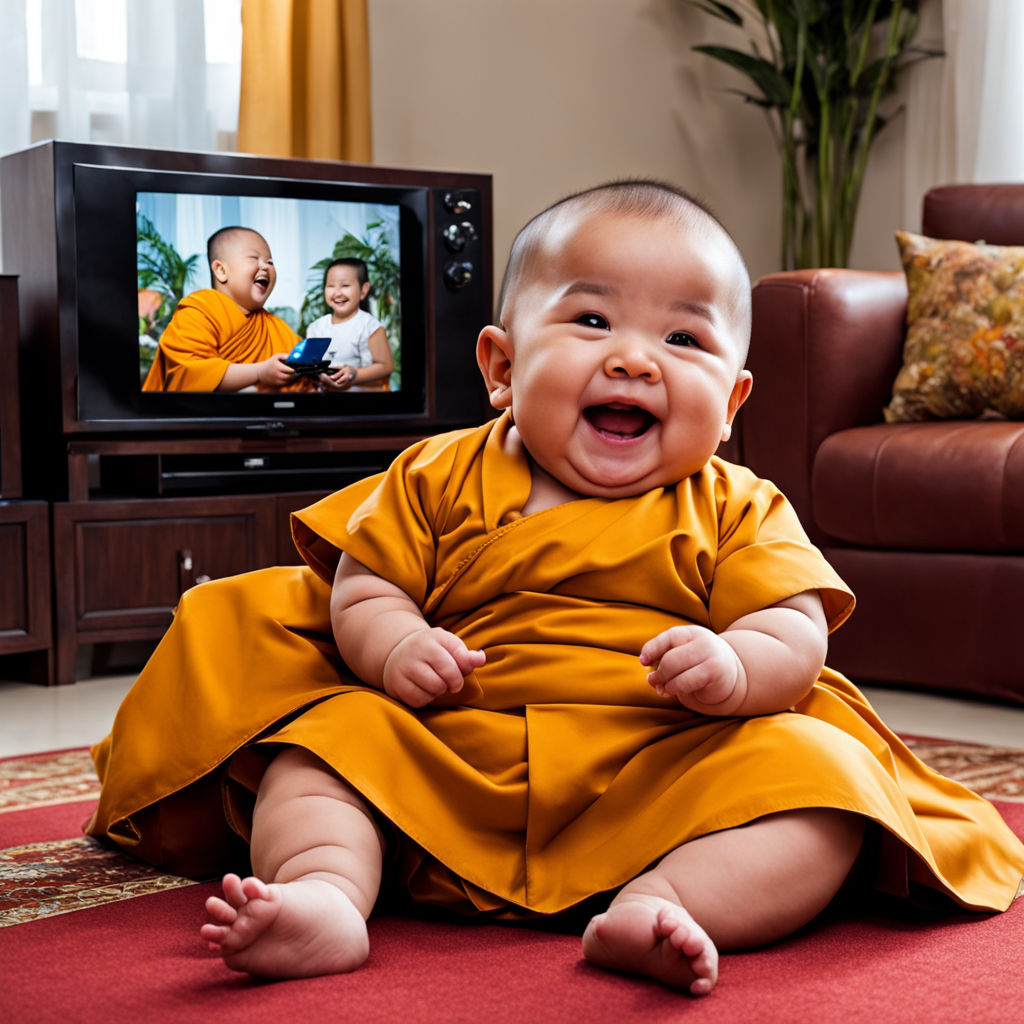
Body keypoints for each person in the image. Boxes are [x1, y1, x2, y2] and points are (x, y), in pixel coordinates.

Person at [90, 182, 1024, 996]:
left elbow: (794, 627)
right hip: (446, 752)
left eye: (683, 336)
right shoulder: (436, 474)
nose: (633, 358)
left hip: (658, 763)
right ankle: (328, 893)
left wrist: (737, 666)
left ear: (734, 406)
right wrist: (399, 646)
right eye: (590, 321)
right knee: (319, 748)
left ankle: (661, 905)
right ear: (501, 368)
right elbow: (364, 589)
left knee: (824, 785)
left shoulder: (738, 504)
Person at [142, 226, 302, 392]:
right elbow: (190, 372)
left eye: (270, 262)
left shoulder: (275, 327)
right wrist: (259, 373)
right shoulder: (199, 310)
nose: (266, 266)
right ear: (221, 271)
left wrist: (321, 379)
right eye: (254, 258)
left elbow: (301, 378)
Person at [303, 258, 394, 391]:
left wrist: (354, 374)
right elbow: (310, 366)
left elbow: (386, 366)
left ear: (363, 290)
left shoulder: (369, 326)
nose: (337, 293)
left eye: (345, 285)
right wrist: (319, 376)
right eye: (331, 286)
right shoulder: (316, 327)